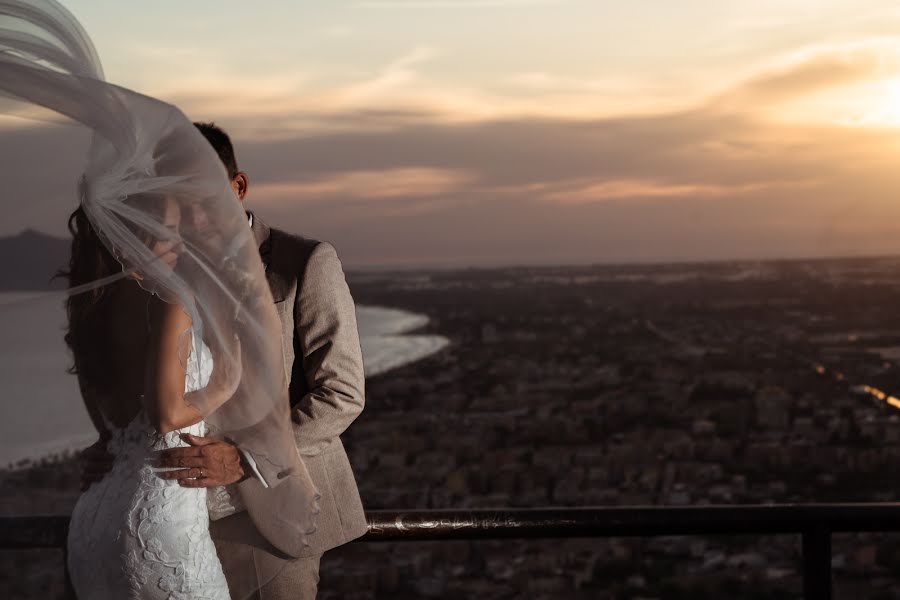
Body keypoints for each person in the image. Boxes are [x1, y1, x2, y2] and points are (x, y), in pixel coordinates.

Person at [0, 1, 320, 598]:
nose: (187, 230)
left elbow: (119, 417)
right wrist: (225, 377)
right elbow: (169, 413)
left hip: (105, 514)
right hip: (157, 522)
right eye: (171, 220)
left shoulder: (99, 305)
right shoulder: (174, 297)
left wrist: (117, 446)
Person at [81, 123, 369, 599]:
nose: (189, 213)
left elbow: (341, 393)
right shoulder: (163, 274)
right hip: (176, 524)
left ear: (238, 187)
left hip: (273, 521)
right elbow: (145, 389)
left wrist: (244, 460)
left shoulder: (304, 262)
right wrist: (115, 448)